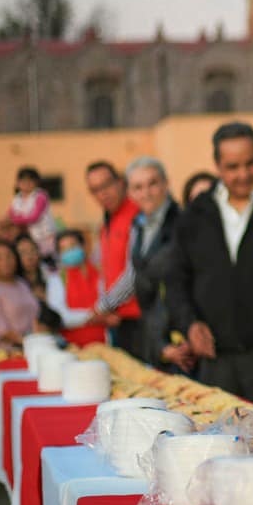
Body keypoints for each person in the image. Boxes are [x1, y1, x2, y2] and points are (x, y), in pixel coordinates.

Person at [166, 121, 253, 407]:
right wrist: (190, 323)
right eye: (232, 167)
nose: (243, 175)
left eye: (250, 164)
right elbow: (175, 281)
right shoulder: (195, 214)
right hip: (214, 361)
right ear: (217, 166)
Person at [96, 157, 191, 370]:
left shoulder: (183, 224)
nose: (146, 193)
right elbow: (136, 276)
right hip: (153, 338)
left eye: (153, 183)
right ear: (130, 191)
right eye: (138, 187)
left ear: (166, 183)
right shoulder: (138, 226)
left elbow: (185, 286)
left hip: (180, 344)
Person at [84, 161, 143, 356]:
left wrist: (103, 306)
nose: (103, 194)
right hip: (115, 319)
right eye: (95, 190)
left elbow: (134, 273)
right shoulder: (106, 224)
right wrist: (106, 308)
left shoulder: (137, 215)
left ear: (120, 182)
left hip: (138, 320)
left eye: (106, 185)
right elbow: (105, 272)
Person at [46, 229, 110, 346]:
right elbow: (59, 316)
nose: (68, 251)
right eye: (63, 249)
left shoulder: (100, 273)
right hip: (72, 346)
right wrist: (92, 317)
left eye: (72, 246)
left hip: (104, 342)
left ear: (84, 246)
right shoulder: (58, 279)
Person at [6, 166, 58, 257]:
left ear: (36, 182)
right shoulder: (17, 198)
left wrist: (16, 220)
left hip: (45, 235)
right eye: (23, 181)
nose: (27, 184)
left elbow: (34, 217)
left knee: (47, 258)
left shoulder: (40, 196)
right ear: (18, 183)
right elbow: (10, 214)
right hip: (30, 236)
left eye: (30, 181)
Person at [14, 233, 50, 303]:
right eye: (22, 253)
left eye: (32, 250)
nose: (29, 257)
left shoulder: (50, 275)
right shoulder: (13, 281)